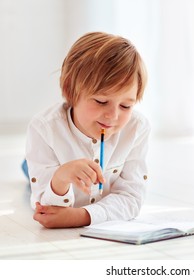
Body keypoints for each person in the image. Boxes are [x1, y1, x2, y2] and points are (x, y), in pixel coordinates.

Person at [24, 31, 150, 229]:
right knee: (29, 176)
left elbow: (131, 198)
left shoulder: (137, 128)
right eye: (101, 101)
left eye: (126, 106)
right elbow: (45, 208)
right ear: (70, 92)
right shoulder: (44, 127)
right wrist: (60, 178)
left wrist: (80, 216)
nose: (113, 116)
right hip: (48, 159)